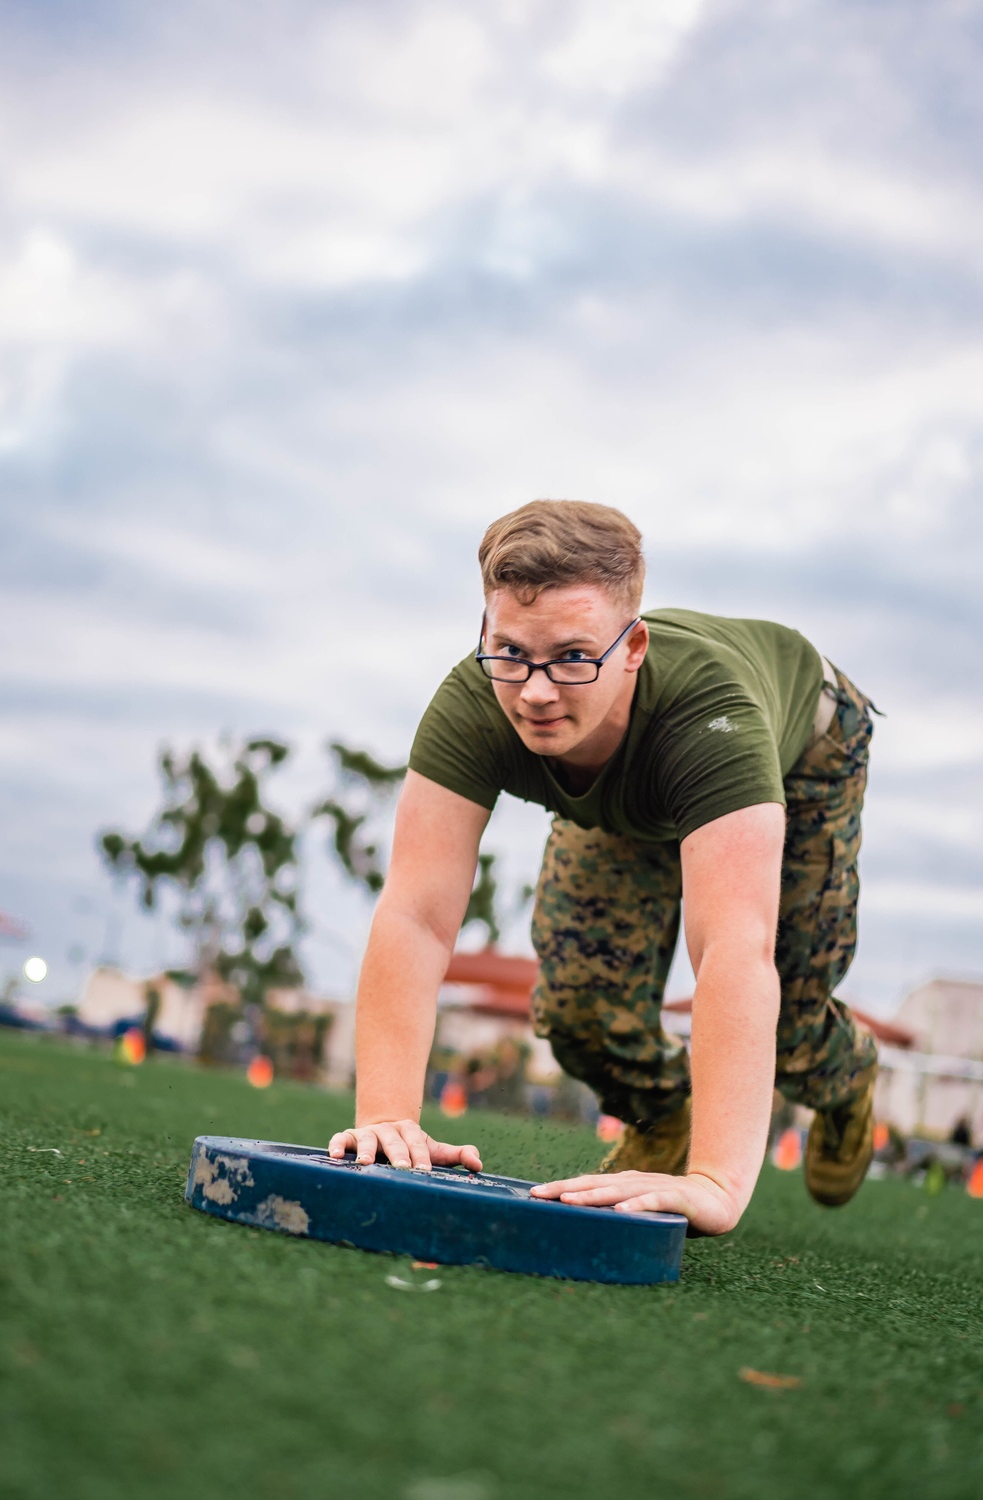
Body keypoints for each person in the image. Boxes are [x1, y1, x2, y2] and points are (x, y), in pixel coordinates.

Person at [329, 500, 880, 1234]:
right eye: (512, 653)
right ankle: (662, 1114)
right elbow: (418, 915)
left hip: (804, 749)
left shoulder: (712, 719)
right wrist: (387, 1115)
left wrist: (715, 1183)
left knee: (784, 1029)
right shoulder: (475, 702)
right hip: (635, 795)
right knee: (583, 1011)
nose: (536, 692)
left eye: (572, 657)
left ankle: (847, 1077)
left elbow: (731, 953)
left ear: (633, 646)